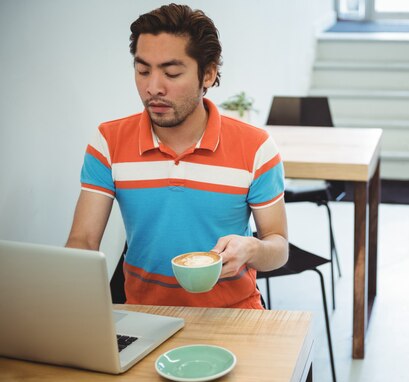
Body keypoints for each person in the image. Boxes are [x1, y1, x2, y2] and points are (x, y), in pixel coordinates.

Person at [66, 4, 288, 309]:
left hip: (235, 315)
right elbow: (83, 242)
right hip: (144, 316)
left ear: (208, 74)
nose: (153, 88)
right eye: (143, 71)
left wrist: (252, 249)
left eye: (171, 73)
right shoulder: (108, 142)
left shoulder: (256, 147)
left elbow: (279, 248)